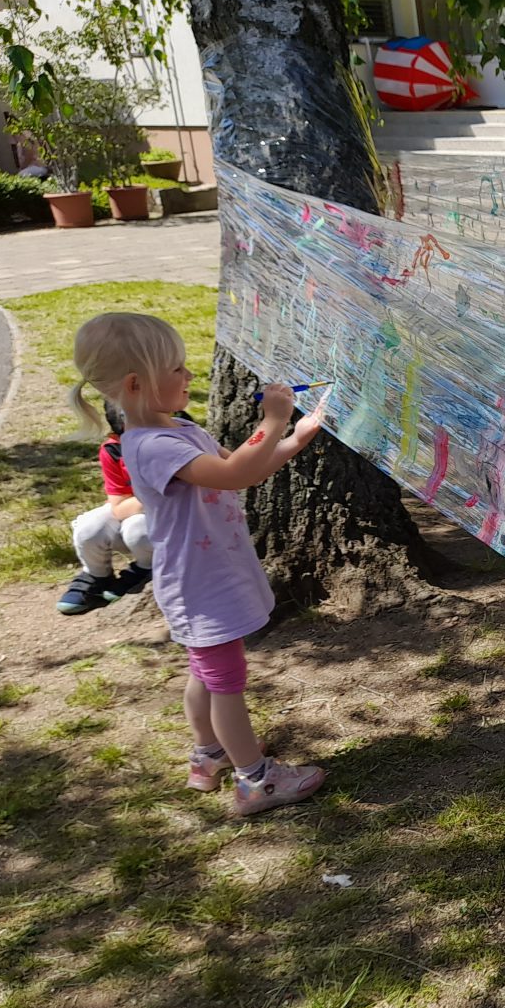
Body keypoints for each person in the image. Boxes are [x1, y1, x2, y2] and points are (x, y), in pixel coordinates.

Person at [70, 312, 328, 815]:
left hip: (206, 574)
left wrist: (294, 438)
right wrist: (274, 420)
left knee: (205, 674)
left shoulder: (177, 428)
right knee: (227, 683)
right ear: (136, 384)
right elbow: (236, 475)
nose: (189, 375)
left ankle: (208, 754)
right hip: (200, 583)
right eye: (177, 368)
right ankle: (255, 781)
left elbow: (241, 467)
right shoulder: (152, 445)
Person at [57, 399, 154, 615]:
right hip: (136, 505)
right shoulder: (113, 449)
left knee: (138, 531)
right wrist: (154, 495)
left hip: (169, 518)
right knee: (89, 528)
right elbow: (119, 507)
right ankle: (97, 575)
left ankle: (146, 567)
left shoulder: (177, 438)